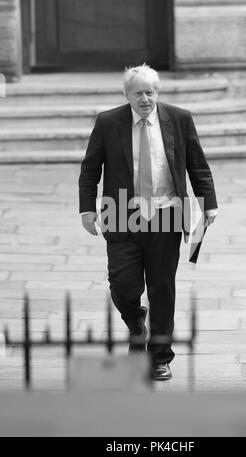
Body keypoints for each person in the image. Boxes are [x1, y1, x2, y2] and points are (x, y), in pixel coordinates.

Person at [79, 64, 217, 381]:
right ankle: (135, 320)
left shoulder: (179, 119)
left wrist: (208, 202)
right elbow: (90, 169)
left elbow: (198, 164)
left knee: (162, 289)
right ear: (127, 95)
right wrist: (87, 208)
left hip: (167, 214)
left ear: (158, 92)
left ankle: (159, 358)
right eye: (138, 92)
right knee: (123, 286)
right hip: (120, 212)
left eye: (150, 91)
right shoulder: (108, 122)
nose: (145, 98)